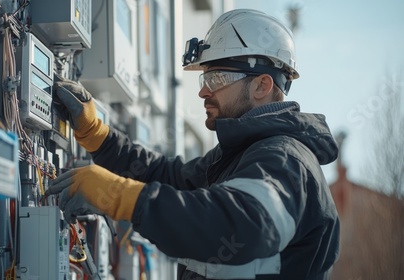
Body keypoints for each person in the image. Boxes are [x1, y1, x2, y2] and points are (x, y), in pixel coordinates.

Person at [48, 9, 340, 280]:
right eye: (205, 78)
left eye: (217, 78)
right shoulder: (239, 156)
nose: (202, 91)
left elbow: (238, 225)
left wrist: (122, 197)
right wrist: (97, 135)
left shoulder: (285, 161)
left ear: (262, 86)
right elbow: (169, 179)